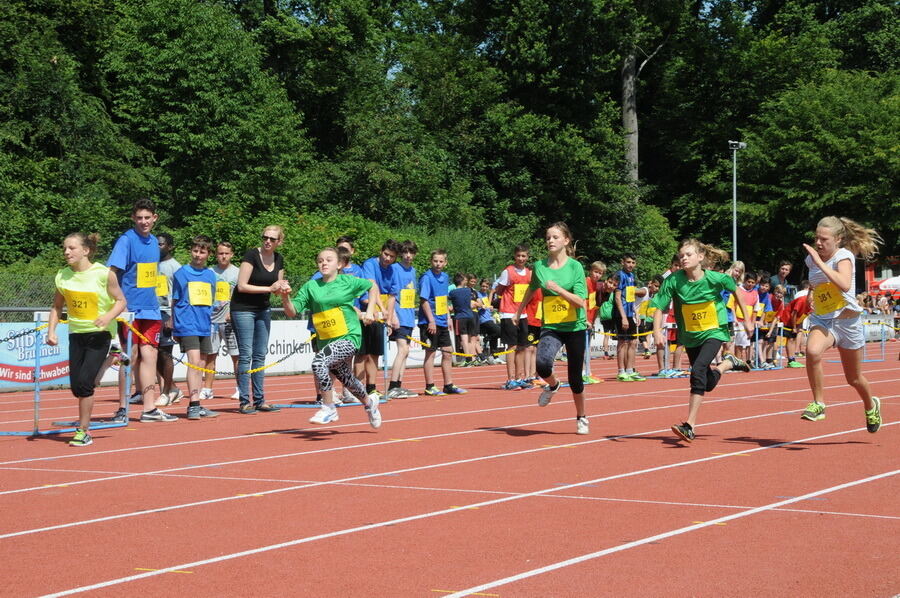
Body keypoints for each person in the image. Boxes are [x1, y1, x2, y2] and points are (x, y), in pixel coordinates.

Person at [651, 239, 754, 443]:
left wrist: (748, 320)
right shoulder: (673, 281)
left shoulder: (716, 278)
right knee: (706, 382)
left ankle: (689, 425)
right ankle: (727, 364)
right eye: (681, 255)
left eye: (688, 254)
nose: (684, 258)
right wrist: (656, 331)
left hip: (714, 331)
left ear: (700, 257)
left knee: (697, 370)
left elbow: (737, 292)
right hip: (690, 335)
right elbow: (660, 307)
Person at [282, 248, 382, 428]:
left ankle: (328, 407)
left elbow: (372, 286)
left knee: (319, 363)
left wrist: (370, 310)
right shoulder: (311, 286)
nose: (324, 263)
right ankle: (369, 403)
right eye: (320, 260)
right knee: (347, 379)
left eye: (329, 260)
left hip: (349, 336)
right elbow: (292, 311)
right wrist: (284, 296)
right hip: (326, 341)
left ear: (339, 264)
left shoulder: (347, 281)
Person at [799, 216, 882, 432]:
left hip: (848, 323)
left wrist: (819, 262)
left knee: (853, 378)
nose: (818, 243)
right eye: (817, 238)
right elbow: (817, 283)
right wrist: (811, 293)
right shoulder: (811, 259)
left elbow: (845, 285)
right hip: (824, 319)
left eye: (824, 239)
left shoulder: (843, 256)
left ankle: (871, 405)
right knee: (812, 351)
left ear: (838, 239)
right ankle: (819, 404)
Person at [47, 233, 127, 445]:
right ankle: (112, 357)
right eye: (65, 248)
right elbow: (57, 306)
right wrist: (51, 331)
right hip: (76, 334)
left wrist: (108, 316)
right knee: (76, 387)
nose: (66, 252)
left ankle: (83, 431)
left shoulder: (103, 274)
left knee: (85, 384)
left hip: (100, 334)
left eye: (72, 248)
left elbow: (120, 301)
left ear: (86, 250)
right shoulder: (62, 276)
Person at [514, 222, 591, 435]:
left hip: (575, 326)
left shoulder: (575, 267)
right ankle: (554, 384)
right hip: (552, 326)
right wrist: (519, 310)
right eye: (548, 237)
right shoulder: (539, 266)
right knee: (541, 364)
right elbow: (532, 288)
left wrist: (558, 290)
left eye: (555, 237)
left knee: (575, 378)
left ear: (566, 241)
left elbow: (580, 301)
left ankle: (581, 416)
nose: (550, 241)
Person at [107, 199, 174, 422]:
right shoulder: (126, 241)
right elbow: (111, 272)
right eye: (139, 218)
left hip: (151, 309)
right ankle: (122, 408)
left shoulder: (154, 242)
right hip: (130, 310)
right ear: (133, 218)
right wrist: (120, 302)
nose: (144, 222)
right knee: (130, 357)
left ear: (155, 218)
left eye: (148, 217)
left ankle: (149, 409)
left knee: (150, 356)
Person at [230, 225, 289, 414]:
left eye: (272, 239)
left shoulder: (279, 259)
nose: (267, 241)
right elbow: (242, 286)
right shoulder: (251, 255)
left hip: (263, 308)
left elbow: (277, 285)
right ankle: (244, 401)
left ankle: (260, 399)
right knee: (246, 354)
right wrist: (269, 289)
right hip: (243, 308)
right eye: (265, 237)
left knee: (260, 355)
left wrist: (283, 289)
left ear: (279, 242)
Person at [170, 235, 220, 420]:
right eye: (195, 251)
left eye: (202, 252)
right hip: (187, 323)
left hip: (204, 324)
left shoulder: (210, 275)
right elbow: (175, 300)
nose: (198, 255)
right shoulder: (181, 273)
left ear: (208, 254)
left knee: (201, 363)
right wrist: (174, 325)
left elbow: (210, 300)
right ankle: (193, 404)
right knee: (194, 361)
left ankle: (197, 402)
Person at [418, 249, 466, 396]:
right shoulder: (426, 277)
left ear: (445, 263)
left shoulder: (445, 277)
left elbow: (442, 299)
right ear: (431, 261)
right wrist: (431, 321)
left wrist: (448, 317)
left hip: (442, 320)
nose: (438, 264)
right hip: (429, 321)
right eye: (435, 261)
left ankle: (448, 384)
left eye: (441, 261)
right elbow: (424, 300)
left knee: (447, 353)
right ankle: (430, 386)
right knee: (431, 353)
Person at [359, 240, 400, 397]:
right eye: (386, 254)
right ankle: (358, 386)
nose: (388, 259)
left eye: (392, 257)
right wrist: (380, 310)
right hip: (368, 309)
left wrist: (388, 318)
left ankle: (372, 387)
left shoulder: (393, 270)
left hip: (381, 315)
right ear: (381, 251)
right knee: (363, 353)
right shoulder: (369, 264)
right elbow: (372, 287)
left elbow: (392, 296)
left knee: (375, 353)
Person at [203, 241, 241, 399]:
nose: (223, 256)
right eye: (220, 253)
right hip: (212, 321)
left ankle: (240, 387)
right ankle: (207, 389)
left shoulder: (238, 273)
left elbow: (243, 295)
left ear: (231, 254)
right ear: (216, 255)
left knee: (236, 356)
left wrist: (234, 312)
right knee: (210, 355)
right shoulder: (209, 272)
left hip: (230, 321)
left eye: (226, 253)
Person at [492, 245, 532, 390]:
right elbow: (499, 289)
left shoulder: (528, 273)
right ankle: (510, 379)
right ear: (514, 256)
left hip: (523, 313)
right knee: (512, 346)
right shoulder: (507, 272)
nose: (521, 259)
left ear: (527, 257)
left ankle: (519, 377)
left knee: (522, 347)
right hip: (509, 313)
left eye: (524, 256)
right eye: (519, 256)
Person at [387, 240, 419, 399]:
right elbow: (389, 293)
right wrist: (392, 315)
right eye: (405, 253)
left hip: (409, 316)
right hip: (398, 315)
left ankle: (399, 385)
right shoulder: (394, 268)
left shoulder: (413, 271)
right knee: (403, 350)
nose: (408, 256)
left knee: (406, 352)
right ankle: (392, 386)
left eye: (411, 253)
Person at [154, 232, 182, 406]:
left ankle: (166, 391)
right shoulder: (151, 265)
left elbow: (179, 295)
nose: (157, 247)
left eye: (161, 244)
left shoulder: (175, 267)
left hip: (166, 314)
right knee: (151, 354)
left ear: (170, 246)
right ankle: (173, 388)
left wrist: (173, 317)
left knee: (165, 354)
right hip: (151, 313)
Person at [614, 253, 645, 381]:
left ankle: (630, 370)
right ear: (623, 262)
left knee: (632, 342)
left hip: (630, 313)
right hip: (620, 314)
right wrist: (623, 317)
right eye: (628, 262)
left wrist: (635, 312)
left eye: (633, 262)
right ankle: (621, 371)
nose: (630, 265)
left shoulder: (632, 276)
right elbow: (617, 297)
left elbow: (630, 297)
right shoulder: (619, 275)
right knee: (622, 342)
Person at [449, 272, 479, 366]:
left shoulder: (452, 292)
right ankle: (473, 357)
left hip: (460, 317)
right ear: (462, 281)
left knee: (464, 339)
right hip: (470, 316)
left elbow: (451, 303)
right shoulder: (468, 290)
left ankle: (468, 358)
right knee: (471, 338)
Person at [477, 278, 501, 363]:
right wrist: (482, 306)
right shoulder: (478, 294)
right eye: (483, 286)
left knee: (495, 335)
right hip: (483, 320)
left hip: (489, 318)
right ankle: (486, 339)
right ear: (480, 286)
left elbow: (488, 305)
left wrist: (490, 308)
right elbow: (479, 306)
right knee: (499, 331)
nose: (484, 288)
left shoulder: (485, 295)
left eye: (486, 286)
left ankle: (495, 356)